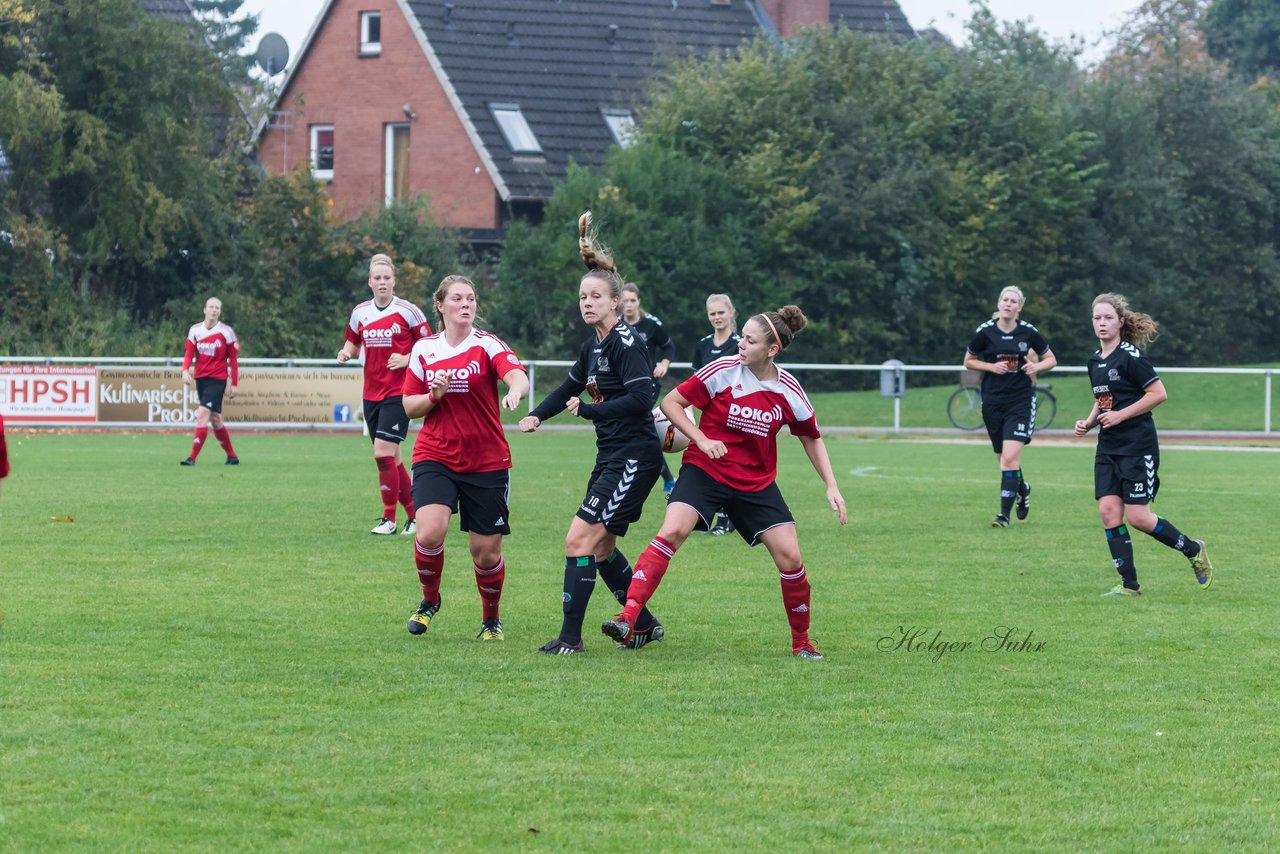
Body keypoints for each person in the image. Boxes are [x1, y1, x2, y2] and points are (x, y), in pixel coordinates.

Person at [601, 305, 848, 660]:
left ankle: (802, 644)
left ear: (772, 350)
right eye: (741, 337)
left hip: (755, 483)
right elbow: (671, 402)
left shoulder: (789, 389)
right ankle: (628, 617)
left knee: (791, 559)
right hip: (706, 471)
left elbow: (811, 436)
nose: (741, 345)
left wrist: (831, 485)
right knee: (672, 531)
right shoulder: (722, 370)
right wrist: (700, 438)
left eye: (749, 340)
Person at [518, 212, 666, 655]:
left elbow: (642, 399)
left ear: (616, 301)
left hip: (634, 458)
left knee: (578, 539)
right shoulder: (594, 346)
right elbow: (568, 386)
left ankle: (570, 638)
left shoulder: (627, 344)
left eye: (596, 296)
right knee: (600, 550)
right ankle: (643, 626)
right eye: (583, 296)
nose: (587, 302)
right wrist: (538, 415)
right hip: (613, 456)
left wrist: (588, 410)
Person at [401, 275, 529, 641]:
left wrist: (515, 392)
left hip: (487, 460)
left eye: (471, 298)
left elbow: (517, 375)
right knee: (429, 531)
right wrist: (434, 396)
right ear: (440, 306)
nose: (466, 304)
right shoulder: (425, 349)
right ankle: (429, 601)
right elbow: (410, 406)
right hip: (435, 455)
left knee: (485, 553)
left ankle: (491, 620)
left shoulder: (487, 345)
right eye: (457, 299)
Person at [1073, 293, 1214, 596]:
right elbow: (1104, 400)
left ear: (1120, 322)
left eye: (1108, 317)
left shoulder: (1131, 356)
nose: (1101, 323)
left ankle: (1192, 549)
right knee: (1108, 513)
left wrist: (1121, 415)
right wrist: (1089, 421)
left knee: (1138, 517)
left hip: (1138, 446)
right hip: (1107, 448)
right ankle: (1129, 586)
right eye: (1097, 318)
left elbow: (1158, 393)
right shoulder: (1094, 361)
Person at [337, 254, 431, 535]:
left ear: (394, 281)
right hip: (371, 393)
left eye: (386, 278)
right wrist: (345, 353)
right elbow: (352, 342)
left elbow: (428, 345)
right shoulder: (360, 312)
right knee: (392, 458)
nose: (382, 282)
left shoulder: (408, 311)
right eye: (377, 278)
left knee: (382, 454)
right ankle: (414, 516)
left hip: (399, 392)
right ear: (370, 281)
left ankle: (388, 519)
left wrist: (406, 359)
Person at [963, 286, 1057, 527]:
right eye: (1005, 299)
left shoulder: (1028, 332)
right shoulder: (985, 332)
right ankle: (1022, 488)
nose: (1008, 303)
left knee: (1009, 459)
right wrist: (991, 367)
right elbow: (969, 361)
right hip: (993, 401)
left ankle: (1003, 516)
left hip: (1021, 401)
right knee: (1003, 459)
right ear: (999, 303)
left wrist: (1036, 367)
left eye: (1013, 301)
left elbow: (1051, 359)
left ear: (1019, 307)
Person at [620, 281, 677, 496]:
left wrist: (664, 364)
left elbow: (669, 346)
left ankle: (666, 479)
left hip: (647, 386)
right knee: (640, 432)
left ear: (638, 302)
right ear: (619, 303)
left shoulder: (651, 325)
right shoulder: (616, 324)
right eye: (625, 301)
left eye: (632, 300)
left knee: (636, 428)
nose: (629, 305)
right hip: (624, 386)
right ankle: (665, 478)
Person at [691, 293, 742, 535]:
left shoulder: (741, 345)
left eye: (721, 312)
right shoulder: (702, 346)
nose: (717, 317)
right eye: (712, 313)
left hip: (734, 416)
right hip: (708, 417)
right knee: (709, 464)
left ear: (731, 313)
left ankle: (726, 520)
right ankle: (716, 517)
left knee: (729, 465)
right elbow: (693, 385)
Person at [180, 297, 240, 466]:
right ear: (204, 309)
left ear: (220, 312)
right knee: (215, 420)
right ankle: (232, 456)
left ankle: (191, 458)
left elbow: (233, 360)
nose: (214, 310)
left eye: (217, 308)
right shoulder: (195, 330)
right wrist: (185, 371)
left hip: (218, 379)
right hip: (201, 379)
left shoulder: (226, 332)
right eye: (211, 307)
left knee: (202, 414)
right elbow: (189, 354)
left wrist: (234, 383)